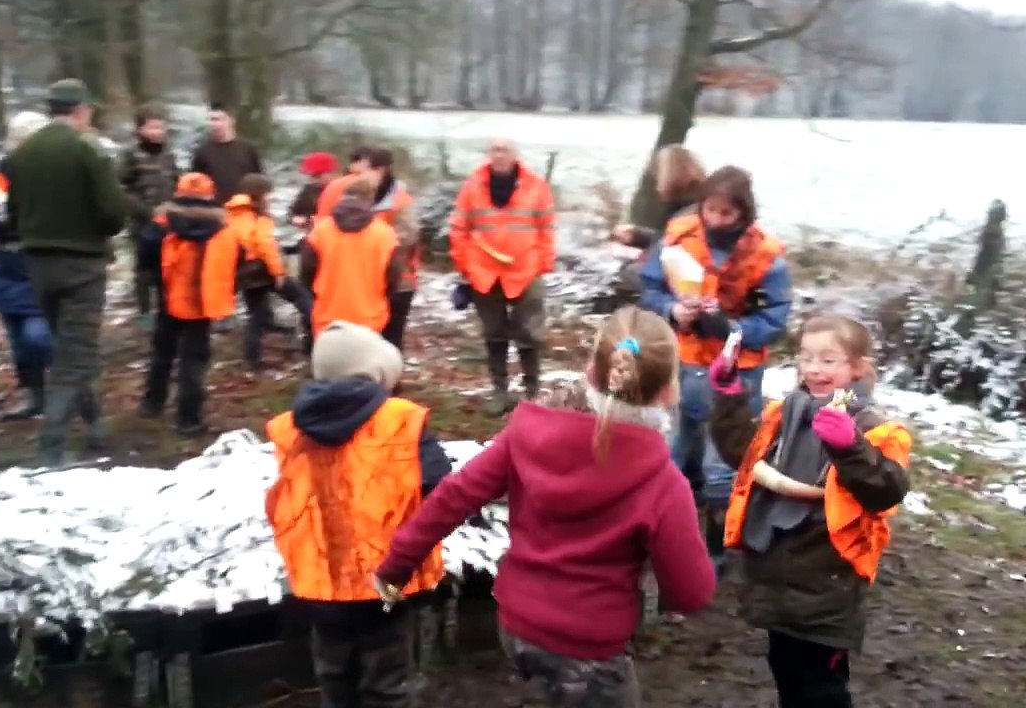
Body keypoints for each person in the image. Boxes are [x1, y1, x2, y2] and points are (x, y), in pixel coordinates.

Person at [373, 306, 716, 708]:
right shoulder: (664, 484)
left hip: (518, 626)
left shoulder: (528, 431)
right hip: (591, 649)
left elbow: (455, 495)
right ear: (669, 391)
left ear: (591, 369)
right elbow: (691, 592)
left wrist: (394, 569)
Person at [709, 313, 912, 707]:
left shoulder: (876, 428)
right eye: (806, 357)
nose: (814, 369)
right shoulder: (785, 413)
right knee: (785, 670)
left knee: (821, 687)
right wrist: (729, 394)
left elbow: (887, 491)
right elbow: (743, 453)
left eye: (828, 360)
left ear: (857, 369)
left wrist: (849, 447)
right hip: (775, 575)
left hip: (826, 584)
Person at [265, 320, 452, 708]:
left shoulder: (290, 428)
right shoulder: (400, 419)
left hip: (320, 580)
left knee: (335, 675)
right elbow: (440, 487)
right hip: (388, 578)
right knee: (387, 675)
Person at [638, 166, 793, 569]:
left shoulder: (766, 255)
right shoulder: (678, 235)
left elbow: (776, 319)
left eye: (726, 213)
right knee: (675, 454)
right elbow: (650, 287)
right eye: (710, 209)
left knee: (723, 463)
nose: (716, 220)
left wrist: (733, 329)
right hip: (683, 361)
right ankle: (670, 535)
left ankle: (717, 549)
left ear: (743, 214)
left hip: (736, 372)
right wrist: (672, 310)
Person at [4, 78, 127, 467]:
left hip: (38, 264)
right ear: (82, 110)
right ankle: (51, 448)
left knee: (69, 346)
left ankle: (94, 425)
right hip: (83, 267)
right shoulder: (87, 150)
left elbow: (13, 215)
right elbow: (112, 215)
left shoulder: (23, 154)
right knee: (75, 356)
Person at [449, 138, 556, 414]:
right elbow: (459, 228)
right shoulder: (472, 186)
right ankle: (499, 391)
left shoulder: (536, 187)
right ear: (488, 154)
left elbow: (547, 228)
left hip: (526, 270)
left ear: (515, 155)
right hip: (484, 272)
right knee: (493, 333)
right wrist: (465, 265)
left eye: (504, 150)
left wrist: (543, 263)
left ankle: (532, 391)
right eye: (494, 150)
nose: (499, 155)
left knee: (529, 333)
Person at [138, 173, 242, 437]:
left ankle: (152, 403)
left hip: (169, 296)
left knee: (162, 352)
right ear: (210, 195)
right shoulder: (224, 229)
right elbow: (237, 264)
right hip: (203, 301)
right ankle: (189, 419)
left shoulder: (162, 223)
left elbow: (146, 255)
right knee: (193, 360)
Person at [0, 111, 53, 421]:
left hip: (42, 266)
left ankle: (66, 388)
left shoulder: (55, 177)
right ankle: (34, 396)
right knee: (18, 342)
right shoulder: (0, 176)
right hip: (7, 266)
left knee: (38, 335)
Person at [227, 173, 313, 371]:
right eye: (268, 193)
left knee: (256, 316)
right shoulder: (258, 216)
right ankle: (313, 340)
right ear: (259, 194)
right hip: (262, 270)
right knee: (304, 299)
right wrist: (279, 273)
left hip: (244, 272)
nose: (271, 197)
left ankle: (252, 360)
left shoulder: (234, 213)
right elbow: (266, 245)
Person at [300, 175, 404, 338]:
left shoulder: (320, 232)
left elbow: (306, 274)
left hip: (328, 319)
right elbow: (394, 278)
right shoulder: (385, 234)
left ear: (343, 198)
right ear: (371, 201)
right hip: (370, 319)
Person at [611, 144, 707, 307]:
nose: (656, 186)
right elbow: (667, 241)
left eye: (658, 179)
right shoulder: (695, 206)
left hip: (682, 293)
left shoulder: (686, 216)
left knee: (622, 274)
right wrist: (637, 236)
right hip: (687, 286)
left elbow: (668, 263)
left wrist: (627, 268)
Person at [350, 148, 420, 353]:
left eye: (365, 171)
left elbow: (409, 235)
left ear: (380, 170)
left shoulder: (400, 200)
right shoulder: (361, 196)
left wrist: (373, 242)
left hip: (398, 280)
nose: (360, 177)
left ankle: (391, 380)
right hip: (366, 280)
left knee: (391, 337)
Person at [118, 103, 180, 330]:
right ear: (140, 130)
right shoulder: (130, 154)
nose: (158, 132)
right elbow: (121, 188)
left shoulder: (168, 153)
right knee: (144, 268)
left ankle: (168, 306)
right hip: (142, 221)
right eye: (153, 128)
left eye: (161, 127)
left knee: (170, 263)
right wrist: (145, 210)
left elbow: (176, 181)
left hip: (169, 220)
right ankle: (145, 311)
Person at [189, 103, 263, 203]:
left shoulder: (247, 149)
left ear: (231, 121)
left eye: (219, 119)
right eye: (211, 120)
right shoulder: (202, 152)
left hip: (242, 208)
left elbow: (258, 182)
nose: (214, 124)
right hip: (213, 209)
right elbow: (194, 184)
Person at [289, 151, 339, 232]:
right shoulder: (309, 189)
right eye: (311, 175)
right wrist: (295, 218)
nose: (313, 179)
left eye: (317, 175)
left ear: (332, 173)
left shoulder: (343, 190)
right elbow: (294, 211)